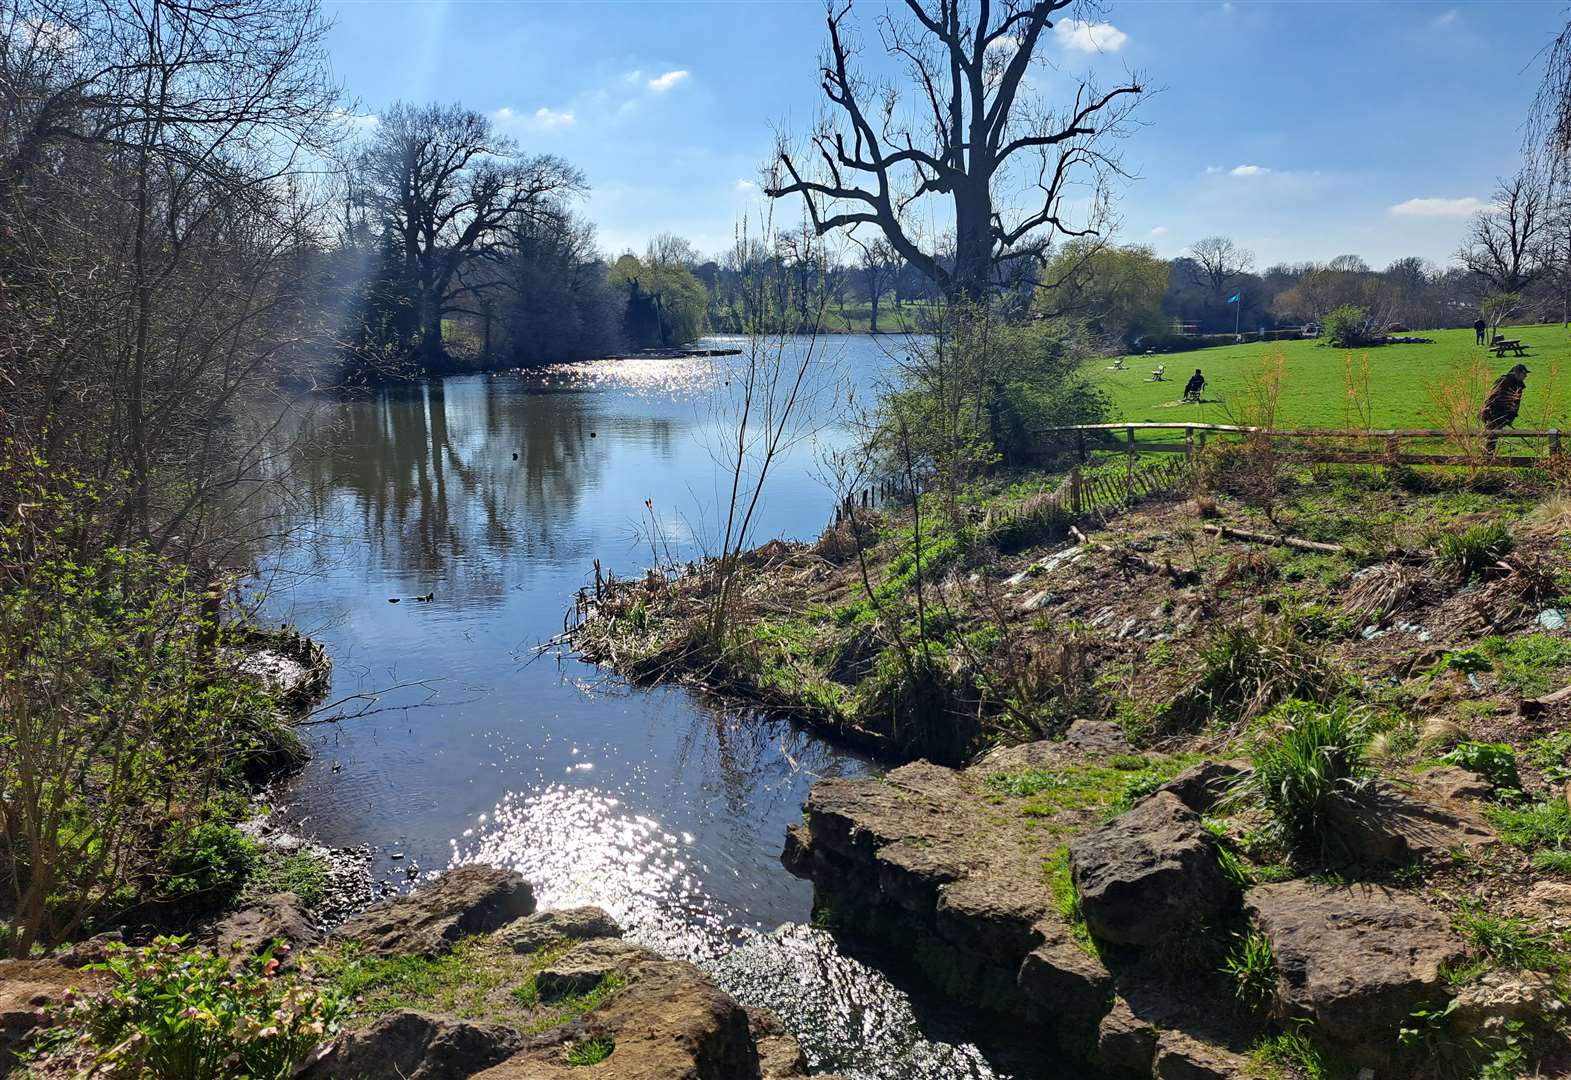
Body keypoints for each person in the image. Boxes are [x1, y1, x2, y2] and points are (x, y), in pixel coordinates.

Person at [1480, 362, 1529, 454]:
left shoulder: (1518, 385)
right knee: (1492, 434)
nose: (1526, 376)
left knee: (1494, 434)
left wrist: (1511, 415)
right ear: (1517, 373)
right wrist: (1487, 409)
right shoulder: (1504, 381)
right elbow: (1493, 396)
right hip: (1494, 412)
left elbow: (1516, 402)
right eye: (1524, 373)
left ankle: (1488, 455)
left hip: (1504, 414)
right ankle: (1488, 455)